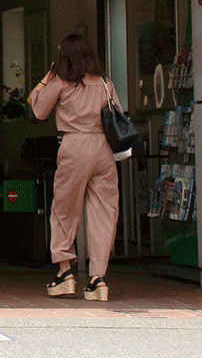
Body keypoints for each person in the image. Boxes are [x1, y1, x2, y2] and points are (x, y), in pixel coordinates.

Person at [29, 33, 120, 302]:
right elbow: (119, 115)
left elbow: (37, 109)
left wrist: (48, 76)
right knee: (104, 211)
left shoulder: (62, 83)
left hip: (74, 146)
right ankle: (98, 279)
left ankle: (65, 271)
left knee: (64, 209)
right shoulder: (105, 84)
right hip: (103, 149)